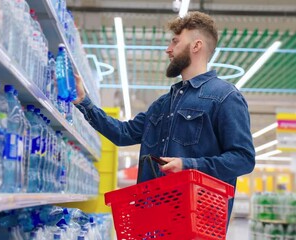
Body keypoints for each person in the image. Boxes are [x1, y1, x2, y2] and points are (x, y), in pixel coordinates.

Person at [73, 11, 255, 223]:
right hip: (152, 220)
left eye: (176, 42)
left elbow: (243, 159)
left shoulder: (225, 97)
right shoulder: (162, 104)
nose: (168, 49)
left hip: (196, 225)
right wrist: (83, 102)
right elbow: (123, 134)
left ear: (196, 46)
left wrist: (189, 166)